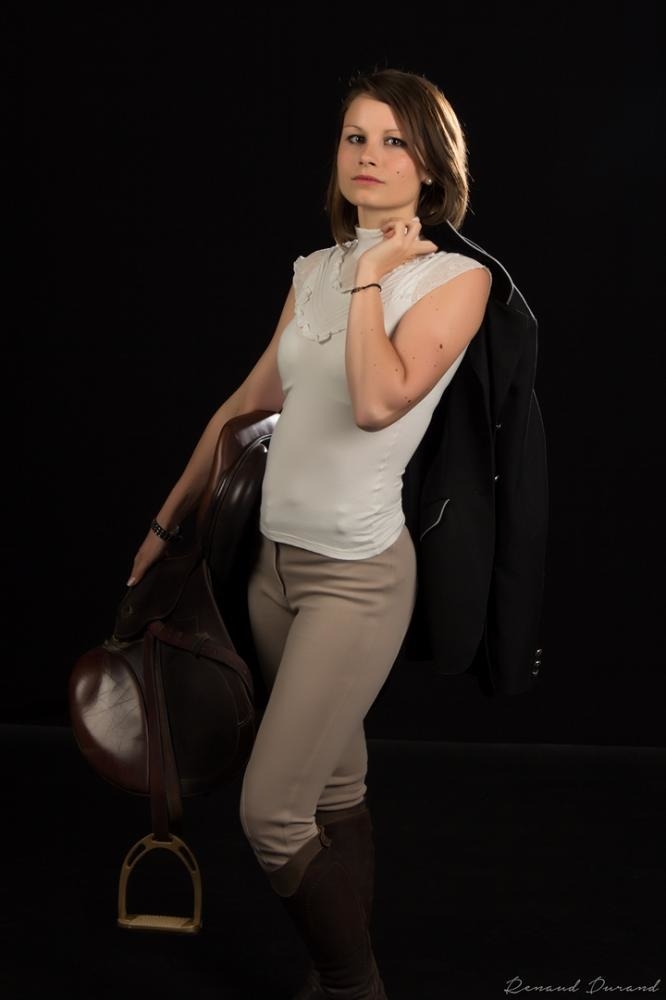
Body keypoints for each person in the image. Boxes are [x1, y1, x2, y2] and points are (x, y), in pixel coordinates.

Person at [127, 67, 496, 999]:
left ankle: (352, 983)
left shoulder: (457, 281)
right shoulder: (312, 271)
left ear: (431, 165)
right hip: (272, 571)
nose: (368, 156)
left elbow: (376, 403)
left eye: (393, 141)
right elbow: (246, 406)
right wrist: (168, 521)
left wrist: (371, 276)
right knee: (333, 789)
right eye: (354, 137)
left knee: (273, 814)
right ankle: (338, 984)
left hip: (356, 580)